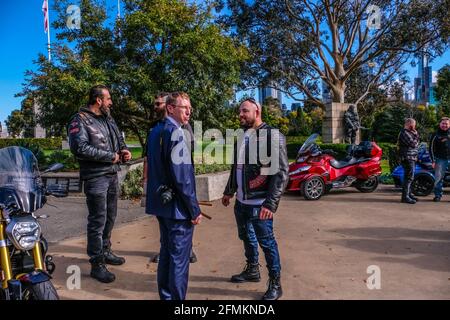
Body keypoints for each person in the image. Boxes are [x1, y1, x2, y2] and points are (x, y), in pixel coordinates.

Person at [221, 98, 288, 300]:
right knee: (246, 238)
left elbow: (282, 172)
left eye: (244, 111)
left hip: (260, 204)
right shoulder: (242, 136)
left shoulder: (272, 136)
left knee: (267, 243)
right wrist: (229, 191)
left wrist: (270, 203)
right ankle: (252, 270)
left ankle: (276, 283)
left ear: (257, 111)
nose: (240, 115)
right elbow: (237, 168)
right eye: (240, 111)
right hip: (241, 202)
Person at [68, 85, 132, 283]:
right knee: (97, 220)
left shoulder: (108, 118)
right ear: (98, 100)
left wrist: (124, 150)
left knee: (110, 216)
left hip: (111, 174)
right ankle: (97, 264)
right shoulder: (79, 120)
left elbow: (118, 140)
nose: (110, 102)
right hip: (96, 177)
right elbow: (79, 148)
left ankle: (105, 251)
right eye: (108, 98)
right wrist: (110, 157)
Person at [145, 91, 202, 300]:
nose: (188, 112)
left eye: (190, 108)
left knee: (167, 256)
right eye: (184, 108)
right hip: (177, 209)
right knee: (178, 260)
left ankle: (166, 297)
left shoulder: (156, 131)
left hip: (162, 205)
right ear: (170, 108)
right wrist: (194, 209)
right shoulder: (176, 133)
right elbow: (182, 178)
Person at [397, 118, 420, 204]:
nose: (415, 126)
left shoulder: (409, 133)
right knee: (409, 177)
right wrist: (416, 135)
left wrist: (415, 136)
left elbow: (415, 143)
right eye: (414, 125)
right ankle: (405, 197)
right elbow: (414, 144)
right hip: (407, 158)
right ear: (410, 124)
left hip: (411, 157)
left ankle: (409, 194)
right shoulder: (404, 133)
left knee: (410, 177)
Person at [429, 117, 450, 202]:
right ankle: (438, 195)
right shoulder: (435, 134)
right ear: (440, 124)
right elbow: (431, 148)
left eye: (446, 124)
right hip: (440, 159)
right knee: (439, 178)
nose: (445, 125)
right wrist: (433, 160)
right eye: (443, 123)